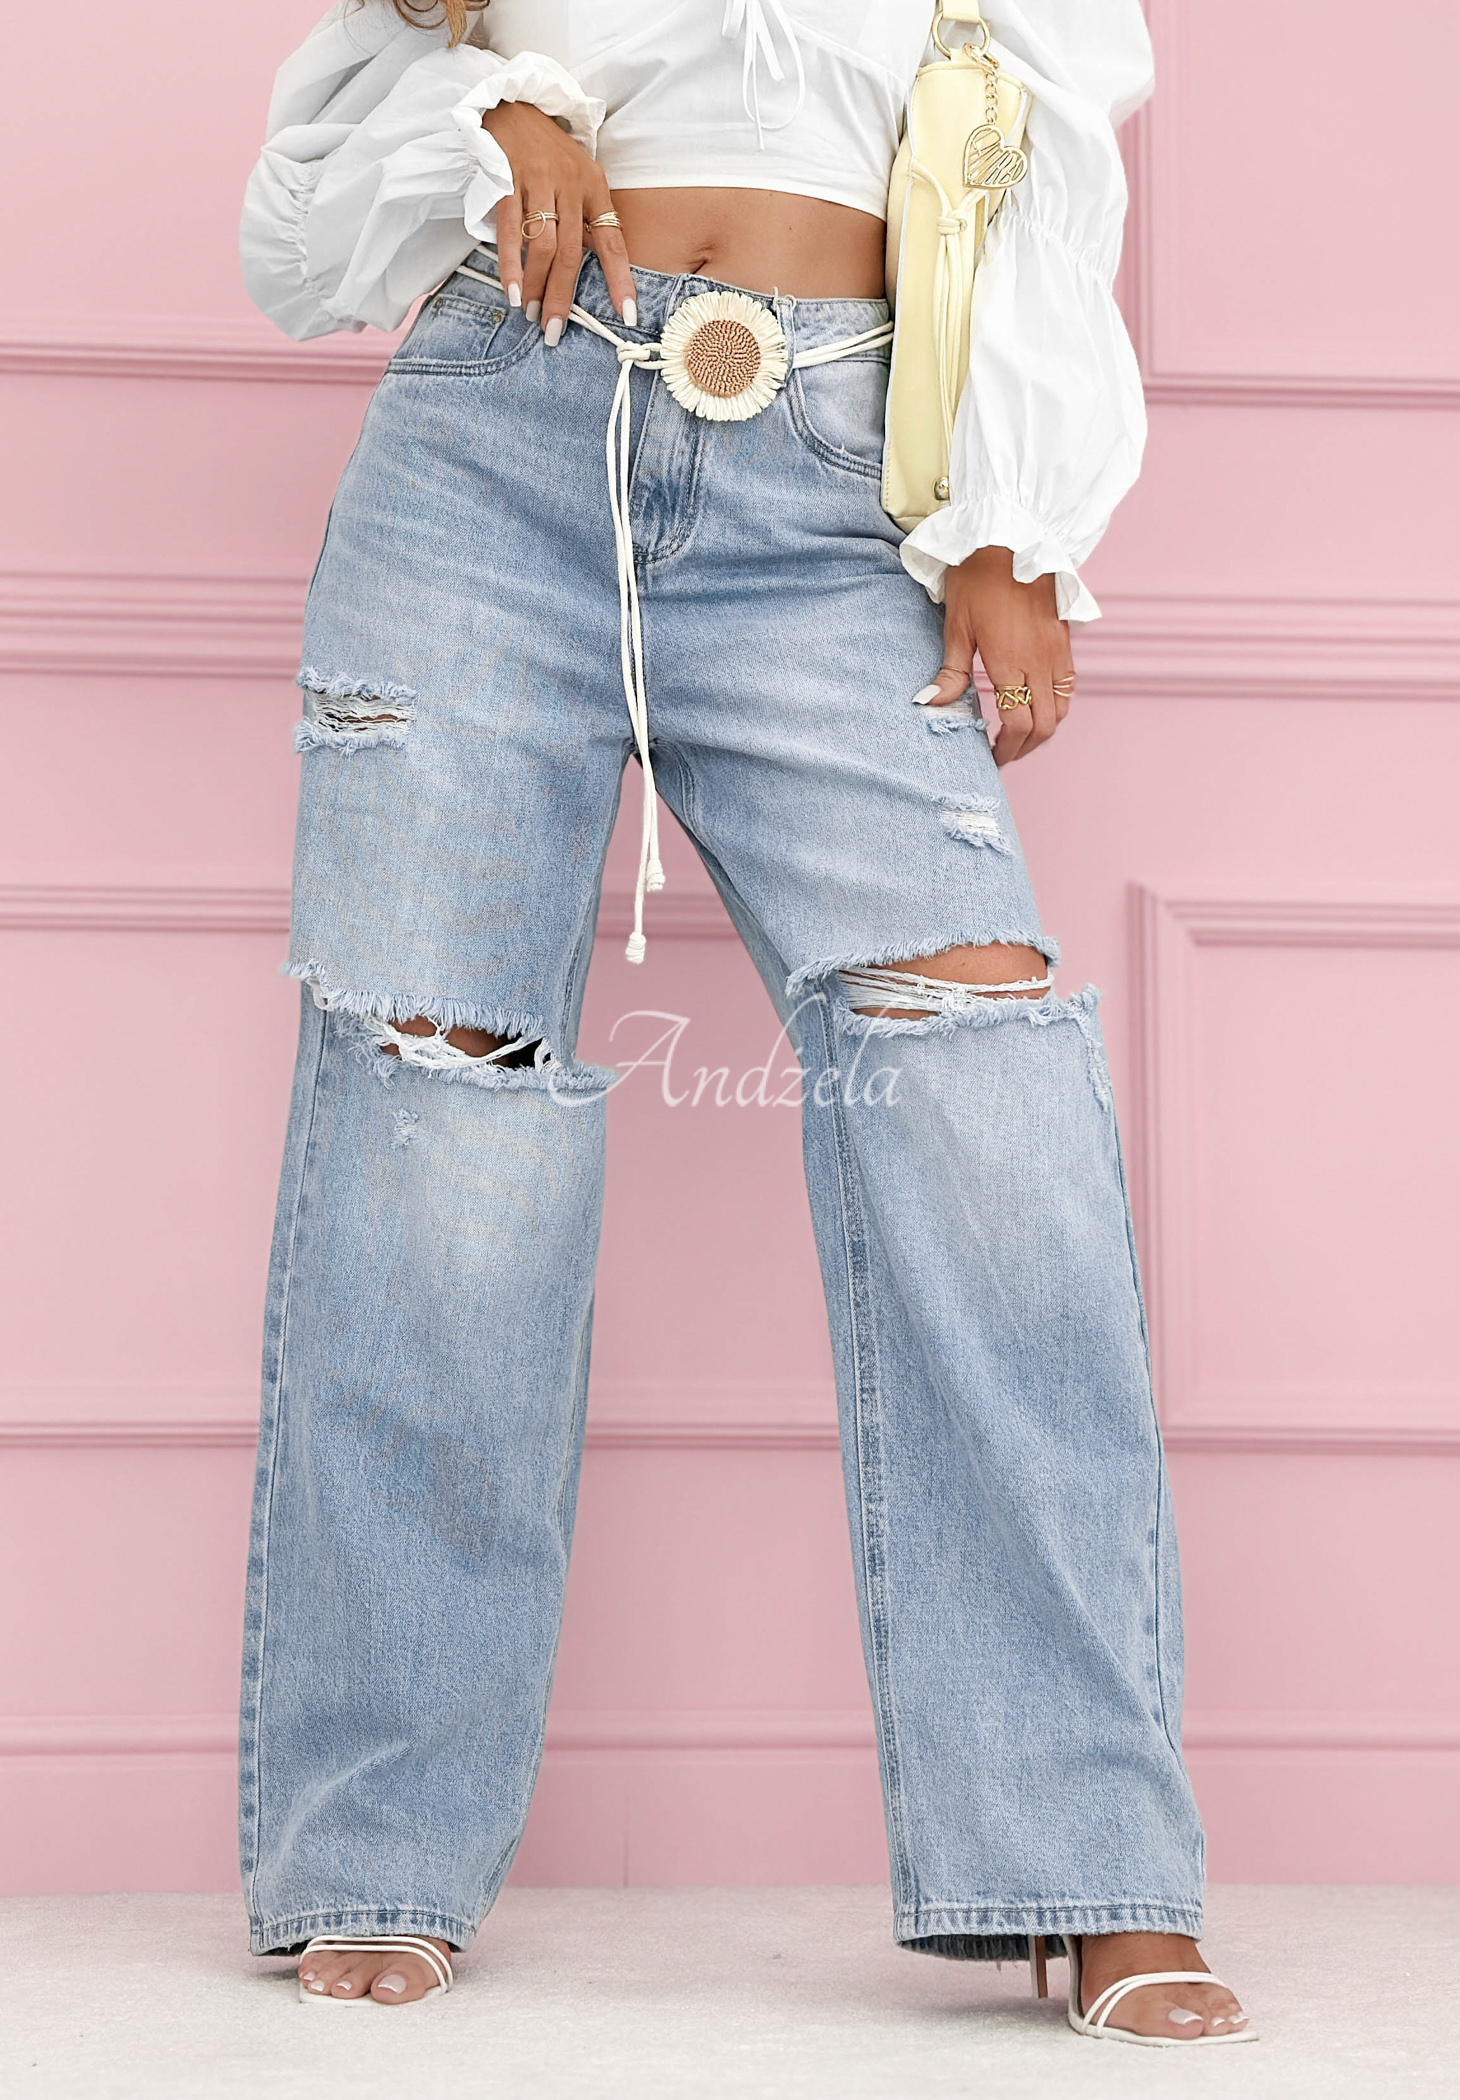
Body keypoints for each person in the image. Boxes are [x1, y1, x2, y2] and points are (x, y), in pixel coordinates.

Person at [237, 0, 1250, 2045]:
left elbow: (1037, 158)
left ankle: (1082, 1851)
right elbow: (293, 234)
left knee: (984, 1120)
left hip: (836, 483)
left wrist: (1011, 523)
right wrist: (494, 109)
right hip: (494, 445)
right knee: (437, 1137)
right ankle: (375, 1846)